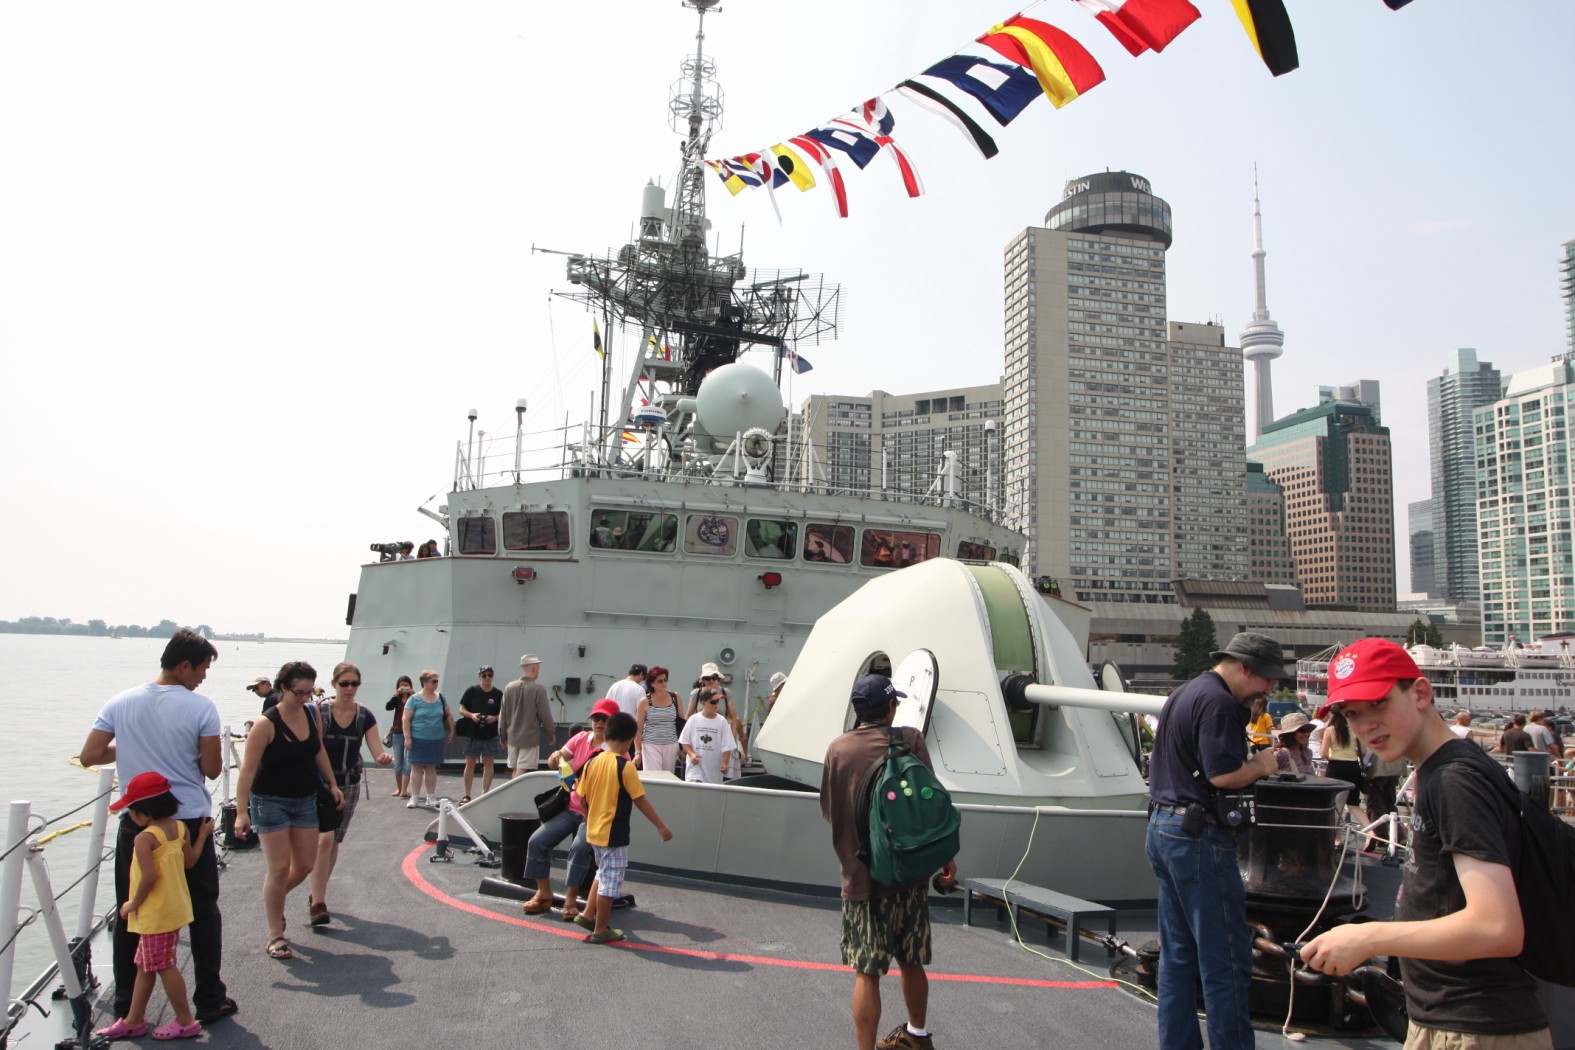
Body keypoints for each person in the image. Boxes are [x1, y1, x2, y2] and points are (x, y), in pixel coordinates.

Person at [1301, 638, 1551, 1048]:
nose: (1366, 725)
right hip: (1453, 1021)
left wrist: (1367, 938)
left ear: (1420, 693)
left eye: (1377, 703)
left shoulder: (1454, 781)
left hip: (1474, 1027)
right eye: (1352, 713)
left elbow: (1498, 928)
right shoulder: (1442, 770)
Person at [78, 628, 236, 1027]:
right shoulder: (201, 708)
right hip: (188, 823)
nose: (203, 677)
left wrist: (131, 747)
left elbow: (90, 755)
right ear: (184, 665)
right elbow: (212, 768)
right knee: (202, 910)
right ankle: (209, 999)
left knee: (133, 911)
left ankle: (126, 1006)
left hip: (139, 824)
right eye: (202, 668)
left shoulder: (120, 702)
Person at [1145, 631, 1285, 1050]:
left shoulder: (1185, 693)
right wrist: (1263, 764)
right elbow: (1222, 775)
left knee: (1177, 956)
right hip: (1198, 838)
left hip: (1164, 828)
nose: (1269, 688)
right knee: (1225, 959)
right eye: (1266, 678)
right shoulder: (1219, 702)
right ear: (1244, 668)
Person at [821, 675, 956, 1050]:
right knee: (911, 961)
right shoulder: (910, 740)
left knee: (868, 972)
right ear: (890, 708)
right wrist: (945, 857)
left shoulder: (839, 750)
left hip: (863, 879)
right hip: (910, 874)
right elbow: (931, 810)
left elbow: (830, 812)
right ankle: (917, 1035)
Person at [232, 661, 343, 961]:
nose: (305, 698)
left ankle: (274, 901)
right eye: (299, 692)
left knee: (305, 864)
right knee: (279, 867)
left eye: (309, 692)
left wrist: (332, 784)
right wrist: (241, 812)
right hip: (270, 801)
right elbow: (248, 770)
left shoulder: (311, 713)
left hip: (305, 798)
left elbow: (317, 749)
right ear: (283, 688)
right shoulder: (265, 724)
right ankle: (275, 933)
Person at [95, 773, 212, 1042]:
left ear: (144, 811)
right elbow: (190, 861)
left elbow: (148, 877)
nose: (130, 815)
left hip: (155, 913)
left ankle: (185, 1021)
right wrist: (204, 835)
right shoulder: (179, 828)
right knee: (145, 965)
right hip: (174, 909)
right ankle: (133, 1020)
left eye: (133, 810)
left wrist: (132, 903)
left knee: (164, 966)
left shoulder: (144, 838)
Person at [573, 712, 673, 944]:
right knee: (610, 882)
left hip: (594, 831)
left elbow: (581, 797)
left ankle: (587, 914)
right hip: (614, 834)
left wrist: (588, 819)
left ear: (607, 735)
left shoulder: (591, 763)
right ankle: (601, 929)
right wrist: (661, 826)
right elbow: (640, 800)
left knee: (601, 873)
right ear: (629, 740)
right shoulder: (625, 767)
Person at [307, 662, 393, 927]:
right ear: (334, 684)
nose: (349, 688)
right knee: (323, 840)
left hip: (349, 783)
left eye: (354, 684)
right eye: (344, 683)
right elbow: (312, 746)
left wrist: (383, 757)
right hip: (320, 783)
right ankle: (318, 902)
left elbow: (376, 750)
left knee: (333, 841)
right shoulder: (319, 711)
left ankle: (317, 894)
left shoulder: (364, 716)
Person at [518, 699, 614, 921]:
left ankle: (570, 898)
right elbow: (558, 760)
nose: (600, 722)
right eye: (596, 718)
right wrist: (555, 758)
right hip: (571, 807)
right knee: (537, 841)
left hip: (594, 814)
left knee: (579, 848)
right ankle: (544, 892)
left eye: (605, 719)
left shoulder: (615, 749)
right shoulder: (581, 739)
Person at [402, 669, 454, 808]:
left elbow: (448, 714)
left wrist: (452, 730)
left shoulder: (441, 697)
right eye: (433, 681)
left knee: (431, 767)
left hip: (436, 738)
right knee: (416, 767)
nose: (436, 684)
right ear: (425, 682)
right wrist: (407, 737)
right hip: (418, 738)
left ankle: (430, 797)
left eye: (437, 681)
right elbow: (405, 719)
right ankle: (414, 797)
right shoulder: (414, 699)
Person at [687, 662, 746, 777]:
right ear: (703, 679)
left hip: (720, 735)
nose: (711, 680)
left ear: (718, 678)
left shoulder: (725, 693)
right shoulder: (697, 694)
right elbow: (688, 716)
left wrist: (731, 739)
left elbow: (734, 717)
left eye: (714, 677)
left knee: (723, 771)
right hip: (701, 736)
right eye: (707, 678)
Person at [499, 654, 552, 776]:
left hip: (512, 736)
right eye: (538, 667)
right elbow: (545, 715)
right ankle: (516, 789)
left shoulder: (509, 687)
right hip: (530, 737)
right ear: (533, 669)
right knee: (522, 768)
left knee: (515, 768)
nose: (538, 670)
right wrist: (551, 733)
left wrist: (502, 735)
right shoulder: (539, 689)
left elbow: (503, 714)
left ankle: (513, 787)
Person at [458, 666, 504, 802]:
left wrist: (495, 718)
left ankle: (485, 794)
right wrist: (472, 715)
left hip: (491, 734)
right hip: (473, 733)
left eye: (490, 675)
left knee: (489, 763)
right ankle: (467, 794)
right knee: (470, 763)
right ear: (479, 676)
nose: (487, 678)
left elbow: (504, 713)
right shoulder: (472, 691)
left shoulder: (498, 694)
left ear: (493, 676)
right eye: (484, 675)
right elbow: (462, 709)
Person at [1317, 707, 1367, 824]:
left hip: (1335, 767)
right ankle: (1371, 830)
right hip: (1353, 766)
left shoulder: (1329, 730)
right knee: (1353, 805)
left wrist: (1332, 756)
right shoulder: (1355, 729)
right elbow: (1363, 752)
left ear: (1333, 715)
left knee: (1334, 803)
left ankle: (1334, 833)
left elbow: (1323, 753)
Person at [679, 687, 735, 784]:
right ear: (703, 703)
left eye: (717, 702)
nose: (716, 705)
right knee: (695, 786)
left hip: (714, 770)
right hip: (695, 768)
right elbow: (685, 741)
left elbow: (727, 745)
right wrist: (692, 754)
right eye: (713, 702)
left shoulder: (722, 721)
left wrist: (724, 762)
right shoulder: (693, 719)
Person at [634, 666, 682, 775]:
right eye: (660, 681)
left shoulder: (675, 697)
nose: (664, 683)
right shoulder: (644, 701)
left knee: (668, 777)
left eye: (665, 680)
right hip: (650, 745)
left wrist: (682, 747)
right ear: (652, 684)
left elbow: (681, 723)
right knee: (653, 777)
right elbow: (638, 729)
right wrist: (637, 752)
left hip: (671, 744)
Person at [385, 675, 414, 797]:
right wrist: (396, 695)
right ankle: (399, 788)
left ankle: (404, 790)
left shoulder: (414, 699)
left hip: (411, 733)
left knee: (408, 763)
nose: (404, 688)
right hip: (397, 733)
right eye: (402, 686)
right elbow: (388, 707)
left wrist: (414, 694)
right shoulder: (396, 699)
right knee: (398, 763)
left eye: (406, 685)